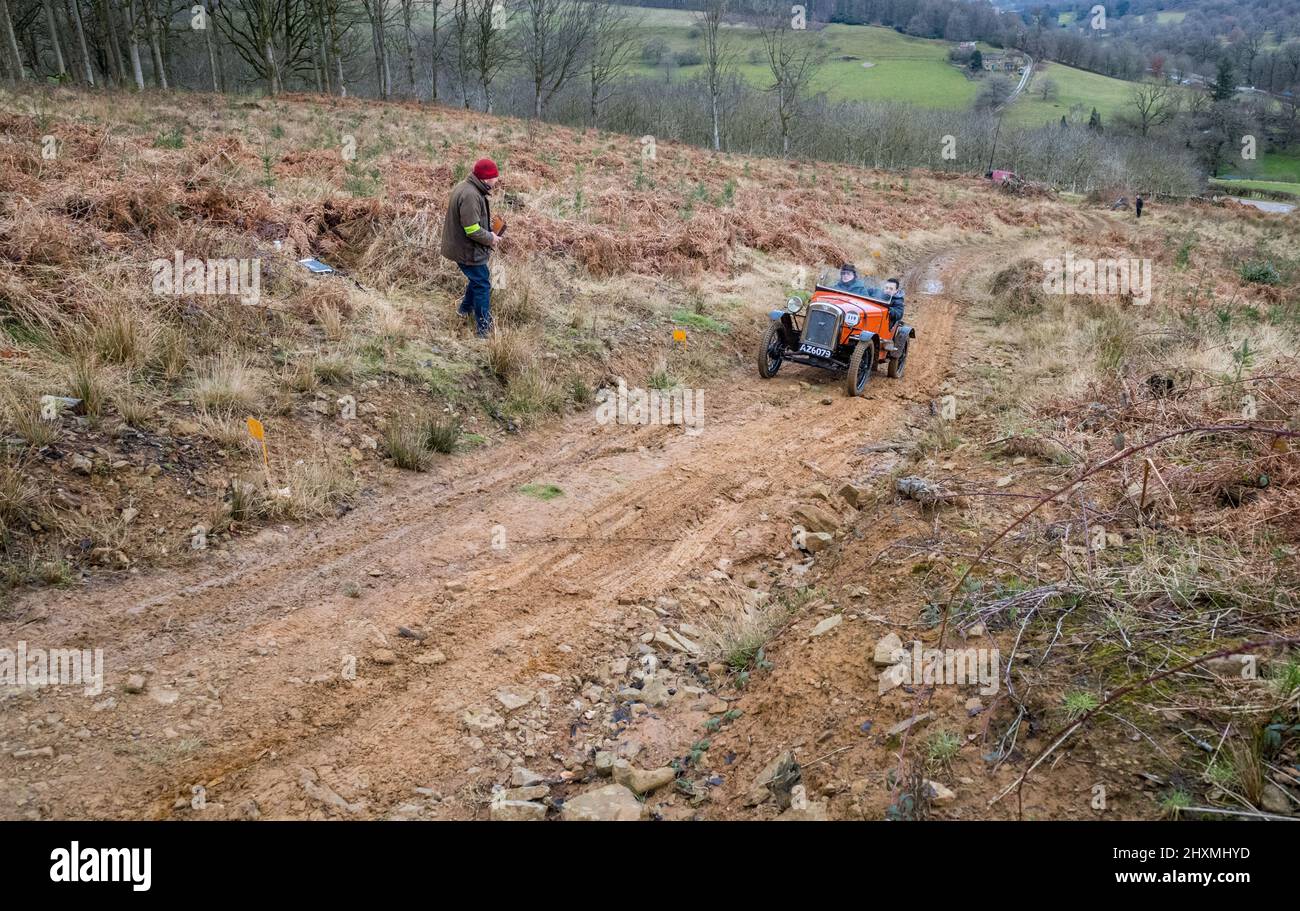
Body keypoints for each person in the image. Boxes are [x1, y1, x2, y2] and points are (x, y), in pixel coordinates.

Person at [440, 158, 501, 337]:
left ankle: (464, 310)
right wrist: (491, 237)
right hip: (466, 250)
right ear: (486, 178)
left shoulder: (468, 188)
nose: (496, 180)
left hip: (463, 247)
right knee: (482, 283)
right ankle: (484, 329)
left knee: (478, 279)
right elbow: (471, 229)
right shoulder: (471, 195)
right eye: (494, 177)